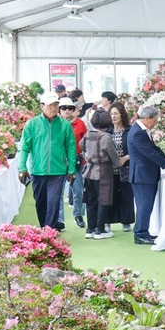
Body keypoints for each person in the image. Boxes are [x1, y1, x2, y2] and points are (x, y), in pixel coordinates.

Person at [16, 93, 76, 230]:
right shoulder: (32, 124)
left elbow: (71, 148)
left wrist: (71, 169)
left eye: (56, 105)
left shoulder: (65, 125)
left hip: (58, 170)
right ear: (42, 106)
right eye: (51, 105)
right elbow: (24, 147)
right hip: (38, 170)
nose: (54, 108)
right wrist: (22, 168)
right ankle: (45, 227)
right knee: (41, 202)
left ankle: (49, 230)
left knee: (54, 202)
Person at [128, 105, 165, 245]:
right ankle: (140, 233)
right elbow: (150, 152)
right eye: (155, 119)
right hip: (142, 175)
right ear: (148, 118)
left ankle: (142, 231)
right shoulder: (137, 132)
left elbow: (154, 149)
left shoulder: (142, 130)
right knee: (144, 205)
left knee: (146, 205)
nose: (156, 122)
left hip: (146, 174)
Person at [80, 110, 123, 239]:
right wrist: (125, 158)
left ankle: (90, 229)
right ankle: (100, 229)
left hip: (89, 171)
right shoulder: (106, 137)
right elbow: (116, 159)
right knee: (103, 200)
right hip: (103, 171)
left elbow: (81, 147)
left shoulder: (87, 135)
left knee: (90, 201)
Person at [57, 97, 88, 230]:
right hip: (58, 162)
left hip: (76, 161)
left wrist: (85, 159)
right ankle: (59, 219)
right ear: (59, 110)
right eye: (64, 108)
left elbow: (86, 143)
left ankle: (79, 215)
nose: (67, 111)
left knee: (78, 189)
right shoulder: (55, 124)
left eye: (70, 108)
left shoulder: (80, 124)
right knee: (57, 192)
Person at [105, 102, 134, 233]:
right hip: (109, 169)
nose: (113, 116)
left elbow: (136, 149)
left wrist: (125, 158)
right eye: (111, 114)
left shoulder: (129, 131)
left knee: (126, 194)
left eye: (116, 113)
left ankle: (126, 221)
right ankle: (107, 221)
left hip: (125, 167)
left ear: (122, 114)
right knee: (109, 195)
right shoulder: (107, 131)